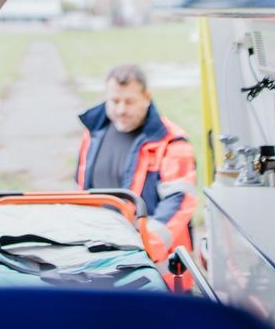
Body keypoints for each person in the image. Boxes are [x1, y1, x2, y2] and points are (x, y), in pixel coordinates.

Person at [76, 64, 196, 262]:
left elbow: (179, 202)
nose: (121, 110)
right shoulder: (92, 134)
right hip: (100, 256)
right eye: (115, 101)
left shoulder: (172, 142)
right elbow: (83, 192)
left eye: (129, 102)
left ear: (147, 97)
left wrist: (143, 248)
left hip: (155, 266)